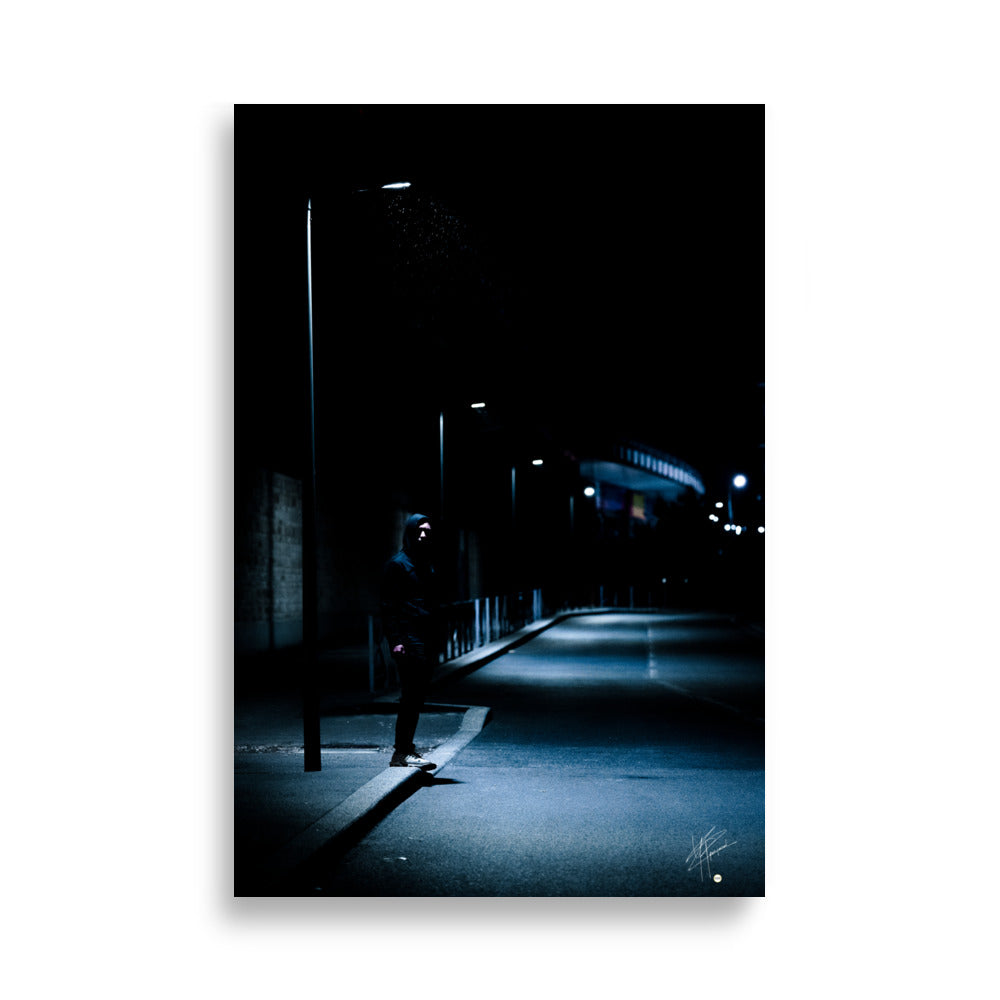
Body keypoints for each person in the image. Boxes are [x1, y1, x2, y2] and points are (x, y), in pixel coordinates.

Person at [380, 513, 438, 770]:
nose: (423, 535)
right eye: (419, 531)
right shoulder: (398, 565)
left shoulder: (425, 564)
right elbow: (388, 606)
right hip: (408, 637)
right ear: (410, 532)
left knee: (416, 696)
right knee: (411, 696)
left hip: (423, 637)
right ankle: (402, 751)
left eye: (427, 530)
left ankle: (405, 749)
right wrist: (396, 640)